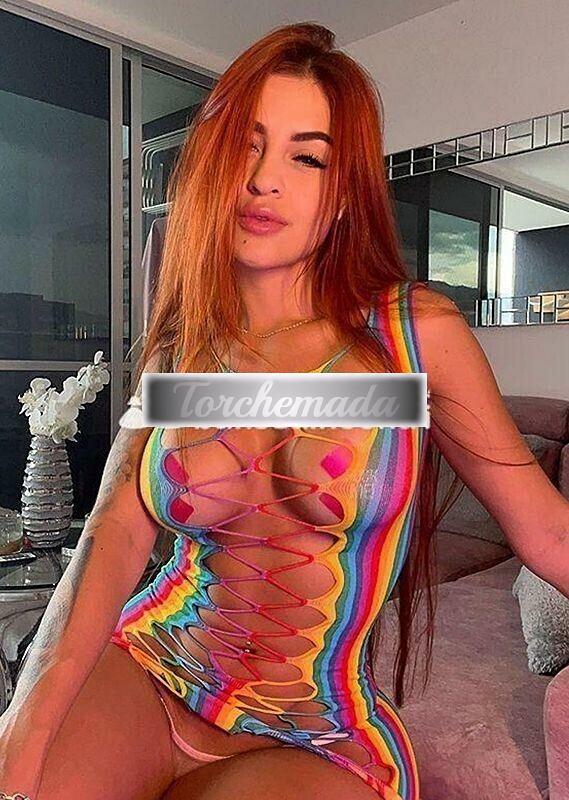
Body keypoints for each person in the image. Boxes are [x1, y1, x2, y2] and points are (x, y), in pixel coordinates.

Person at [1, 21, 568, 800]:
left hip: (314, 731)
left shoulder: (411, 339)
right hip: (151, 668)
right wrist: (27, 718)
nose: (264, 180)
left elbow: (547, 532)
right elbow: (117, 531)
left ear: (344, 194)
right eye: (246, 146)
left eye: (307, 157)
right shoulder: (184, 351)